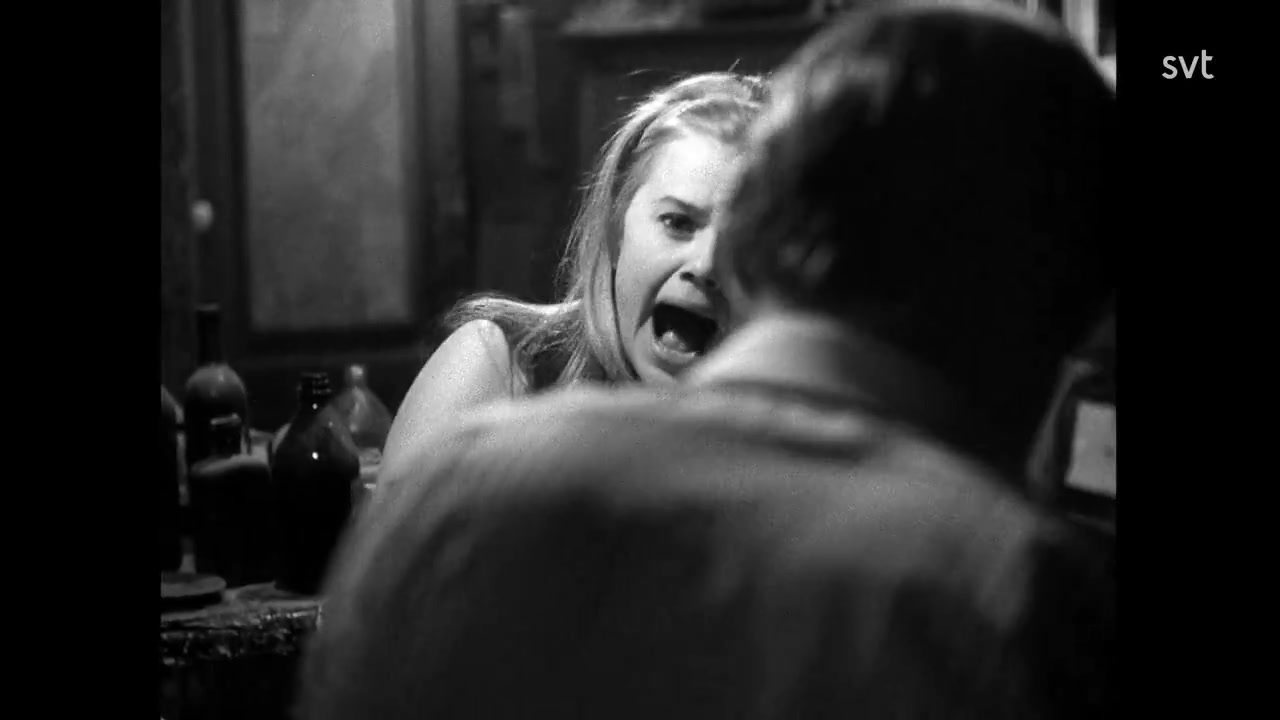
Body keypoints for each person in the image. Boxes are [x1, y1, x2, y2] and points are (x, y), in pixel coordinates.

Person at [300, 2, 1116, 718]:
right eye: (677, 222)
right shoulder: (1017, 596)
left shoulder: (459, 493)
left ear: (765, 242)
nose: (704, 262)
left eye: (721, 231)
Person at [379, 72, 768, 475]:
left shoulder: (777, 442)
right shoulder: (500, 369)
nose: (705, 265)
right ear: (615, 227)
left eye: (743, 242)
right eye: (678, 223)